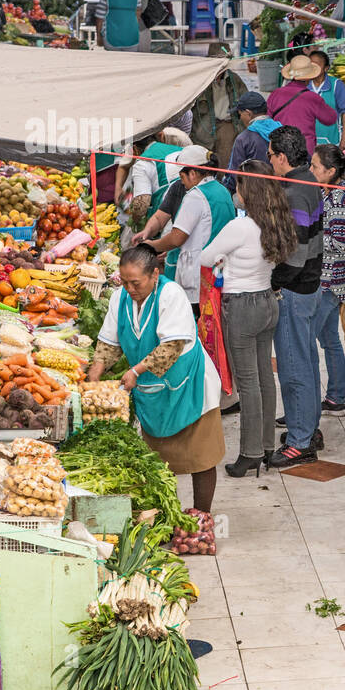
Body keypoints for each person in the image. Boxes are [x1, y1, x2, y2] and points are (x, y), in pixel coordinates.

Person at [87, 245, 224, 514]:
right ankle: (168, 514)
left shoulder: (171, 294)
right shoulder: (120, 299)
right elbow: (108, 343)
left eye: (135, 282)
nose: (130, 288)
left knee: (201, 455)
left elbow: (171, 347)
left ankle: (201, 515)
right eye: (124, 282)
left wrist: (135, 371)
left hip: (190, 385)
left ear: (154, 275)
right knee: (160, 460)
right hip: (154, 392)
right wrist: (96, 372)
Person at [200, 160, 297, 478]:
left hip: (242, 307)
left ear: (247, 190)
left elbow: (204, 256)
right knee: (264, 378)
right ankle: (267, 446)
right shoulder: (275, 220)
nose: (234, 191)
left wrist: (224, 258)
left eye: (237, 185)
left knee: (248, 382)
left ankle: (250, 453)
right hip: (269, 302)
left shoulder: (240, 227)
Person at [267, 125, 327, 468]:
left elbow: (296, 252)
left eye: (271, 155)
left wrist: (277, 280)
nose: (270, 161)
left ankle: (301, 441)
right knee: (304, 359)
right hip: (310, 285)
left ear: (283, 157)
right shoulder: (306, 183)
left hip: (296, 288)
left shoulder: (294, 194)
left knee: (293, 367)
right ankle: (309, 427)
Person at [142, 146, 238, 311]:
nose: (182, 183)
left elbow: (176, 238)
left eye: (182, 177)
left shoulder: (195, 196)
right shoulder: (222, 191)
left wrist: (151, 246)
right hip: (217, 274)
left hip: (197, 279)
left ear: (193, 173)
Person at [310, 144, 345, 419]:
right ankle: (335, 399)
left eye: (315, 166)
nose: (310, 170)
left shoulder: (341, 199)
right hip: (331, 278)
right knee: (329, 339)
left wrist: (306, 237)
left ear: (331, 171)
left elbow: (340, 243)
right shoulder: (326, 191)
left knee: (307, 342)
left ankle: (304, 407)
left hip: (330, 281)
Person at [269, 56, 341, 154]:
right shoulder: (312, 98)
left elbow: (268, 118)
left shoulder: (275, 94)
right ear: (309, 77)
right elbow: (330, 118)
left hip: (279, 148)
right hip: (304, 150)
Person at [224, 92, 282, 193]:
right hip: (281, 193)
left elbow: (233, 175)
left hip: (255, 195)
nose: (240, 118)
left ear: (248, 113)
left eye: (240, 114)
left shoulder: (244, 139)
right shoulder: (283, 130)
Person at [303, 49, 345, 148]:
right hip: (308, 141)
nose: (313, 67)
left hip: (332, 140)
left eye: (317, 64)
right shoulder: (304, 85)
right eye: (310, 64)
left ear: (326, 68)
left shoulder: (336, 85)